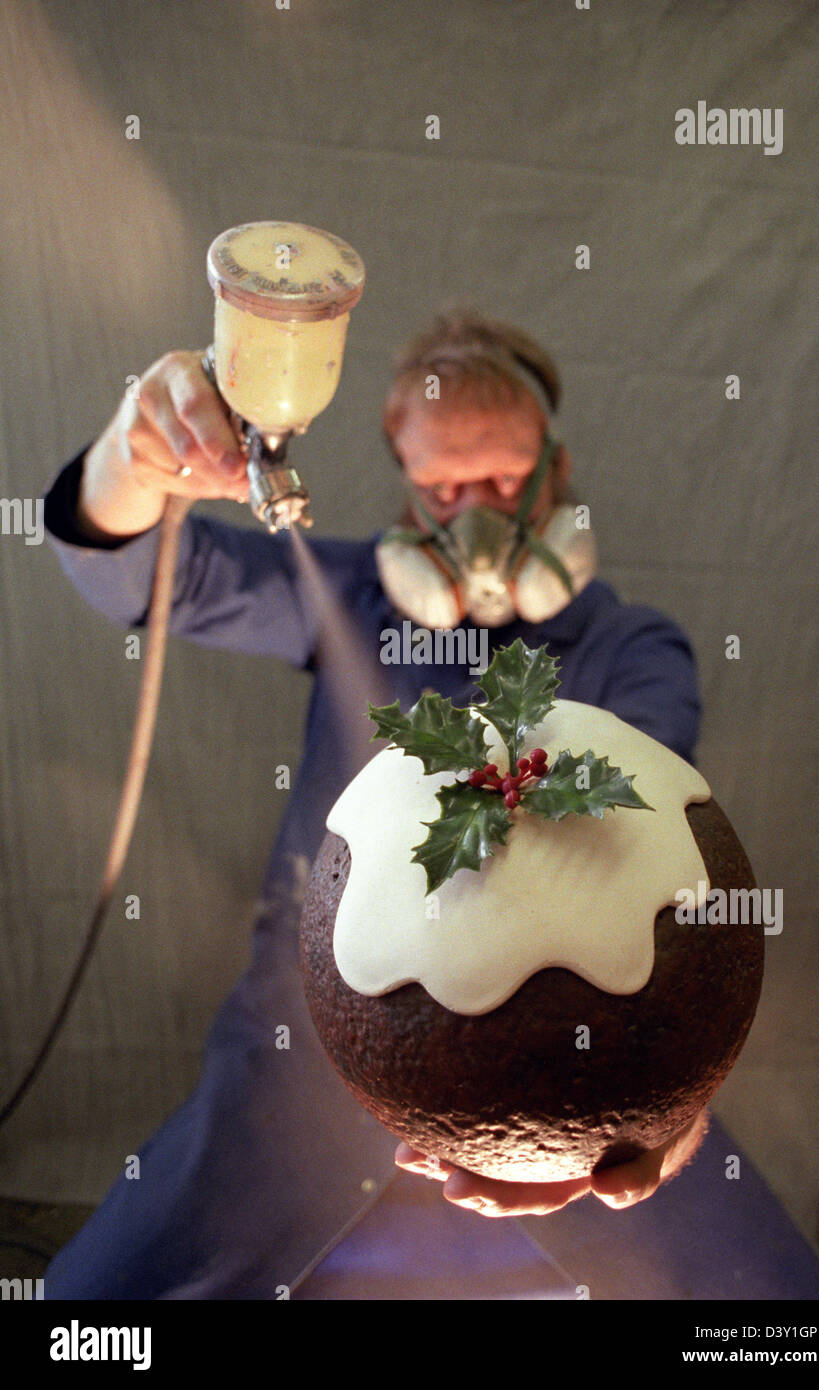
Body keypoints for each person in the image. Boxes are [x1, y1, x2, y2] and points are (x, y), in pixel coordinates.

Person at [39, 309, 708, 1299]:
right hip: (301, 1073)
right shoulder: (348, 596)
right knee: (84, 1315)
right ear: (404, 482)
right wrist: (133, 460)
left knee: (769, 1313)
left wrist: (670, 1124)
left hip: (568, 1088)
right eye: (442, 485)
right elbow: (143, 572)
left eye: (504, 480)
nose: (473, 512)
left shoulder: (636, 649)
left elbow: (667, 870)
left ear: (558, 474)